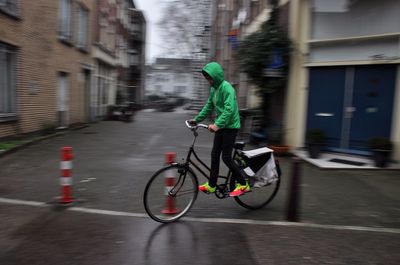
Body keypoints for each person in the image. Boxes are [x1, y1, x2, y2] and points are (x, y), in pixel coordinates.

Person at [189, 62, 250, 197]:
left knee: (226, 157)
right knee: (214, 154)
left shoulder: (227, 88)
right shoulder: (214, 89)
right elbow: (208, 105)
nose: (208, 80)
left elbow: (229, 110)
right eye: (207, 78)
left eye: (209, 77)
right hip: (222, 126)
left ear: (215, 76)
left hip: (231, 127)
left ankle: (243, 183)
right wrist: (197, 119)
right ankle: (212, 185)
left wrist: (217, 125)